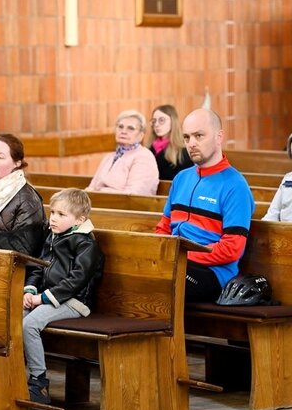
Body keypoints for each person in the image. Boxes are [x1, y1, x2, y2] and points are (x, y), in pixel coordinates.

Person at [155, 108, 255, 302]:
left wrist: (182, 256)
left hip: (214, 272)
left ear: (219, 137)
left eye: (199, 136)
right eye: (186, 137)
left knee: (165, 280)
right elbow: (163, 228)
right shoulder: (181, 178)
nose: (191, 143)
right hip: (177, 261)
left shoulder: (235, 186)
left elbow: (232, 248)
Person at [22, 188, 104, 404]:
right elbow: (39, 267)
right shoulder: (53, 236)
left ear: (79, 220)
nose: (53, 218)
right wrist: (30, 290)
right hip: (49, 297)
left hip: (75, 302)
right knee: (14, 317)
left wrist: (43, 298)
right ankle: (14, 374)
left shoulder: (86, 244)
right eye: (52, 212)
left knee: (30, 324)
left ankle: (38, 382)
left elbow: (77, 281)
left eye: (61, 214)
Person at [86, 110, 159, 195]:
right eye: (120, 127)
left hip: (125, 203)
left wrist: (101, 191)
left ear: (141, 135)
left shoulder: (144, 157)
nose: (123, 131)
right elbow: (92, 186)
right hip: (100, 200)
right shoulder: (110, 156)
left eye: (130, 128)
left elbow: (134, 194)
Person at [145, 104, 193, 180]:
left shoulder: (183, 151)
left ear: (173, 121)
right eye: (154, 121)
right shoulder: (148, 149)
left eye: (161, 120)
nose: (156, 124)